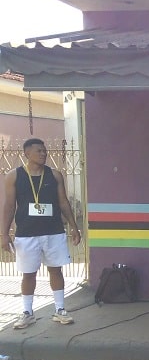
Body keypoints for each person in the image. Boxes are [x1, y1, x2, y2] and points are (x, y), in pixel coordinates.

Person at [1, 138, 81, 328]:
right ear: (27, 153)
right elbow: (10, 206)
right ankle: (28, 313)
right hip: (26, 234)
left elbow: (63, 202)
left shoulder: (55, 175)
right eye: (39, 151)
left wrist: (74, 226)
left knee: (56, 270)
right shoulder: (14, 176)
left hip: (53, 232)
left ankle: (60, 309)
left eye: (45, 151)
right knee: (28, 274)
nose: (44, 154)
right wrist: (4, 234)